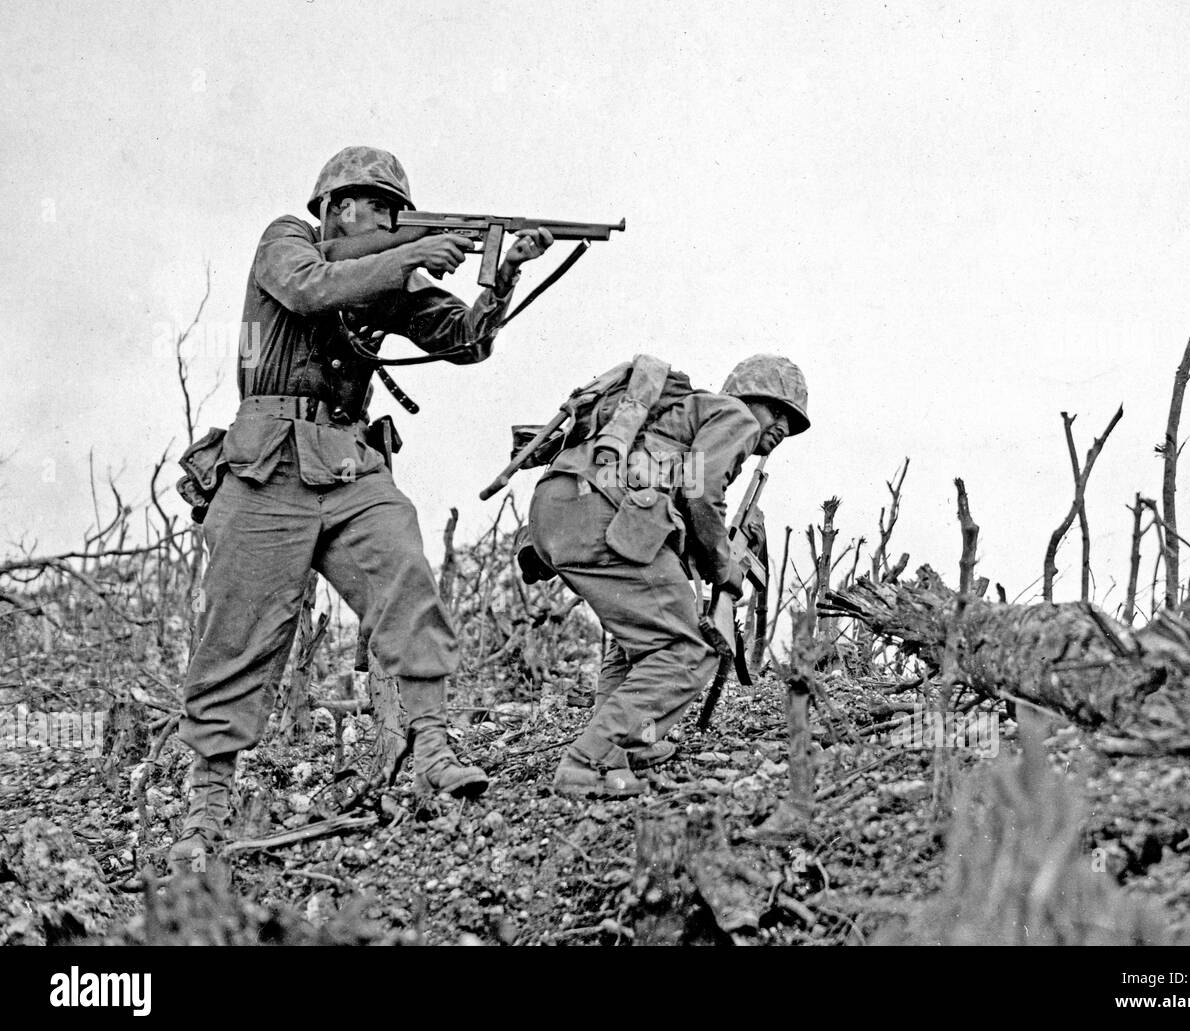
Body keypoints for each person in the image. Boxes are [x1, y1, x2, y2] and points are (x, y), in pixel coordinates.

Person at [169, 146, 553, 876]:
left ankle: (432, 744)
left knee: (405, 571)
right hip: (266, 466)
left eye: (396, 212)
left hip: (347, 462)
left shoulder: (392, 275)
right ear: (339, 206)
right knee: (237, 634)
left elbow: (464, 341)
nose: (390, 219)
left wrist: (502, 274)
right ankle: (206, 810)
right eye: (380, 208)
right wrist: (410, 251)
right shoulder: (288, 240)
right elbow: (312, 290)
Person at [524, 354, 810, 797]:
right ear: (749, 398)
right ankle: (592, 761)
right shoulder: (733, 415)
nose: (782, 429)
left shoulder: (679, 420)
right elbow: (702, 493)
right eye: (779, 412)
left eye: (791, 424)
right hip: (600, 509)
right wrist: (724, 567)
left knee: (639, 640)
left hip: (560, 506)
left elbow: (682, 491)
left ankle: (628, 748)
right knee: (686, 649)